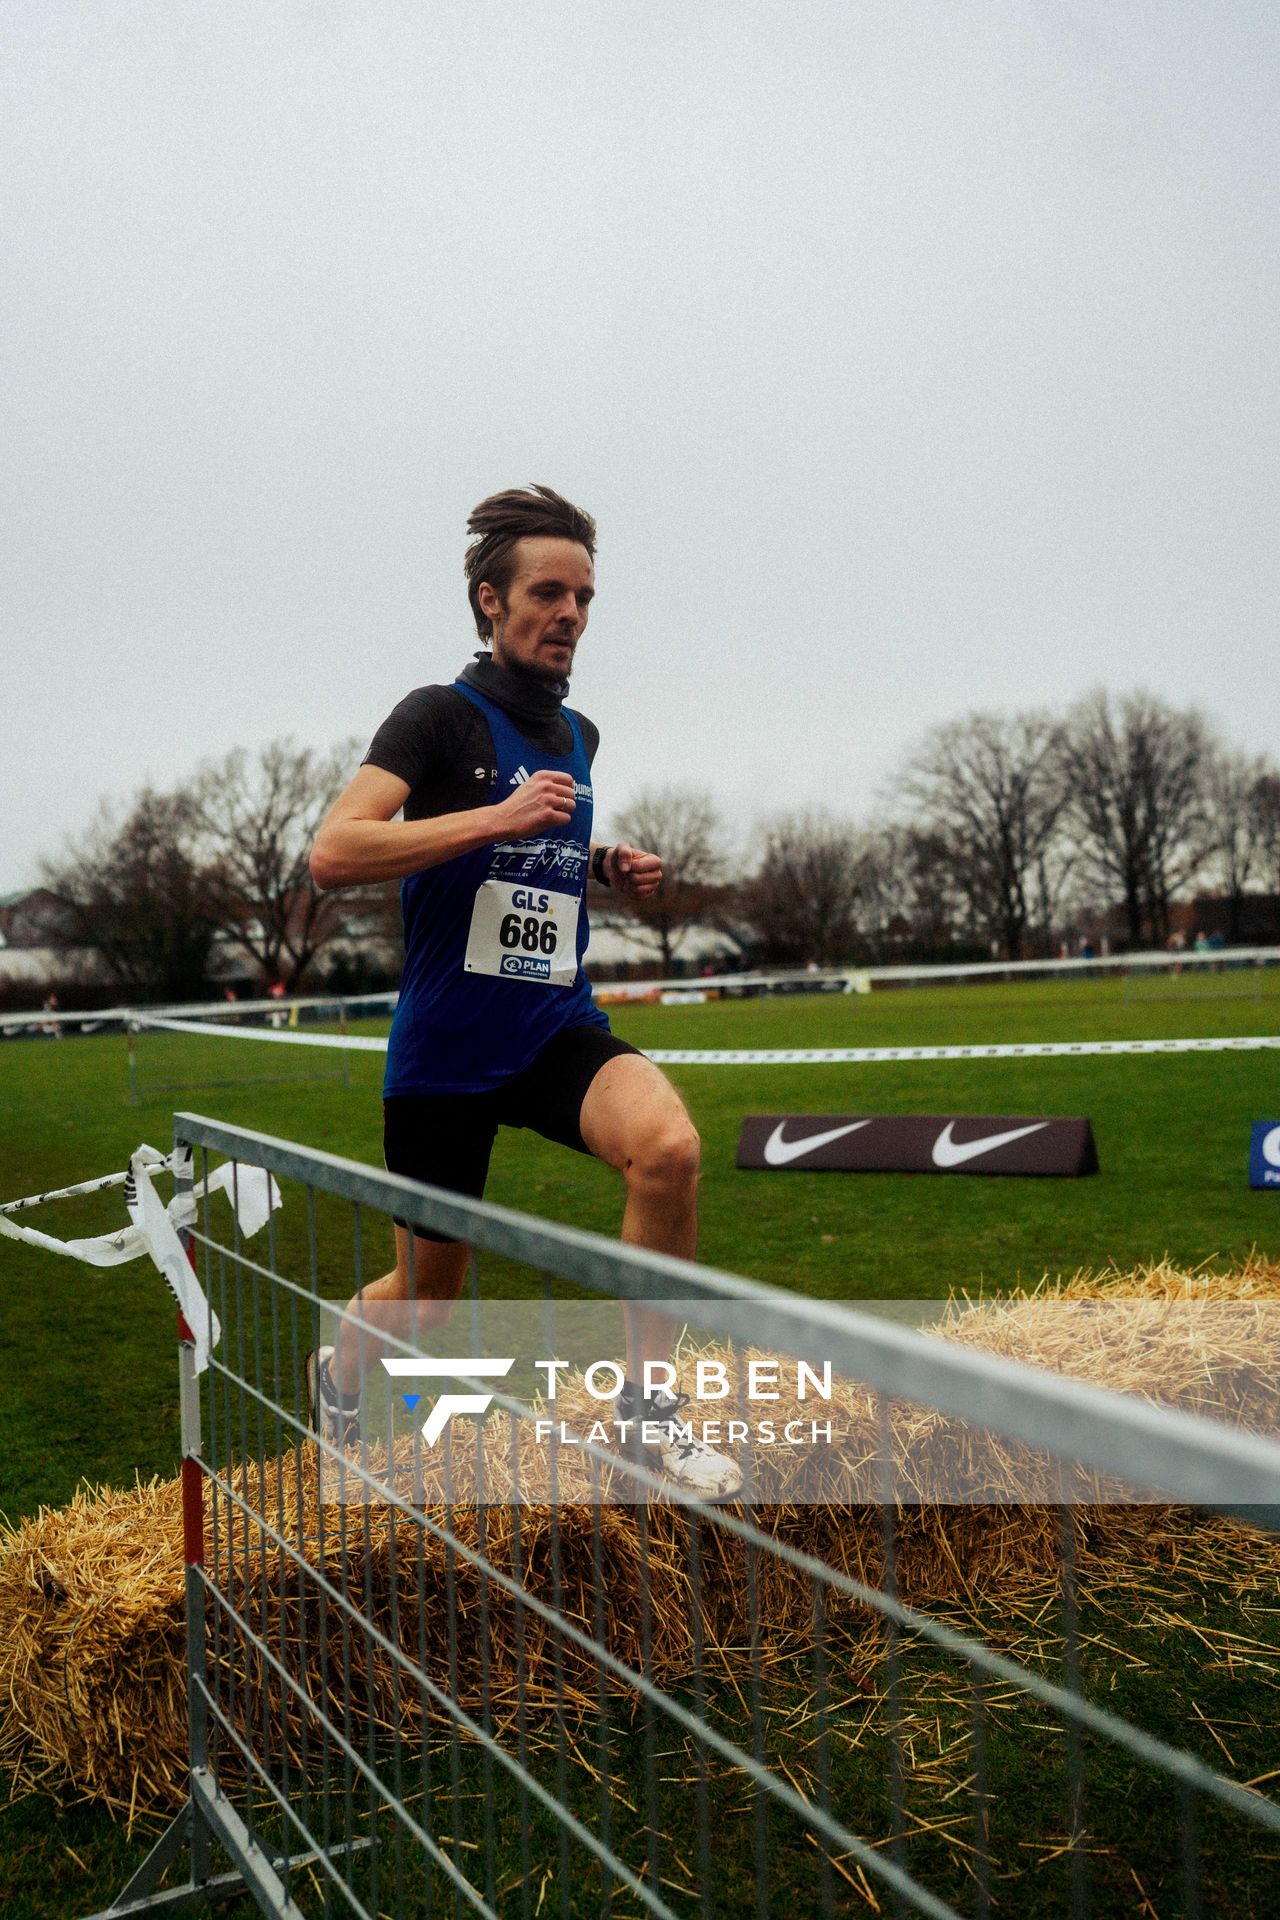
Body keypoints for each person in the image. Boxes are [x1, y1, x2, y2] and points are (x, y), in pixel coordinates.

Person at [306, 485, 740, 1499]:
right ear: (489, 601)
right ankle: (334, 1374)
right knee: (426, 1297)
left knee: (668, 1150)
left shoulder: (578, 734)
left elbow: (536, 848)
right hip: (445, 1056)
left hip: (551, 1028)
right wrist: (490, 820)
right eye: (548, 592)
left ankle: (648, 1414)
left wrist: (600, 867)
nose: (571, 614)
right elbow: (334, 851)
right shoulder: (433, 717)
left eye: (584, 597)